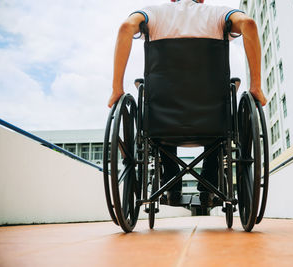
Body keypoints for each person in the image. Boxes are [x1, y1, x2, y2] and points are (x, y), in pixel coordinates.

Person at [108, 0, 267, 206]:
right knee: (219, 116)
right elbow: (249, 24)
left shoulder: (153, 13)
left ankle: (172, 188)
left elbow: (125, 28)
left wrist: (116, 89)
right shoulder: (218, 14)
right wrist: (256, 86)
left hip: (162, 123)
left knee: (160, 117)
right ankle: (209, 188)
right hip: (213, 122)